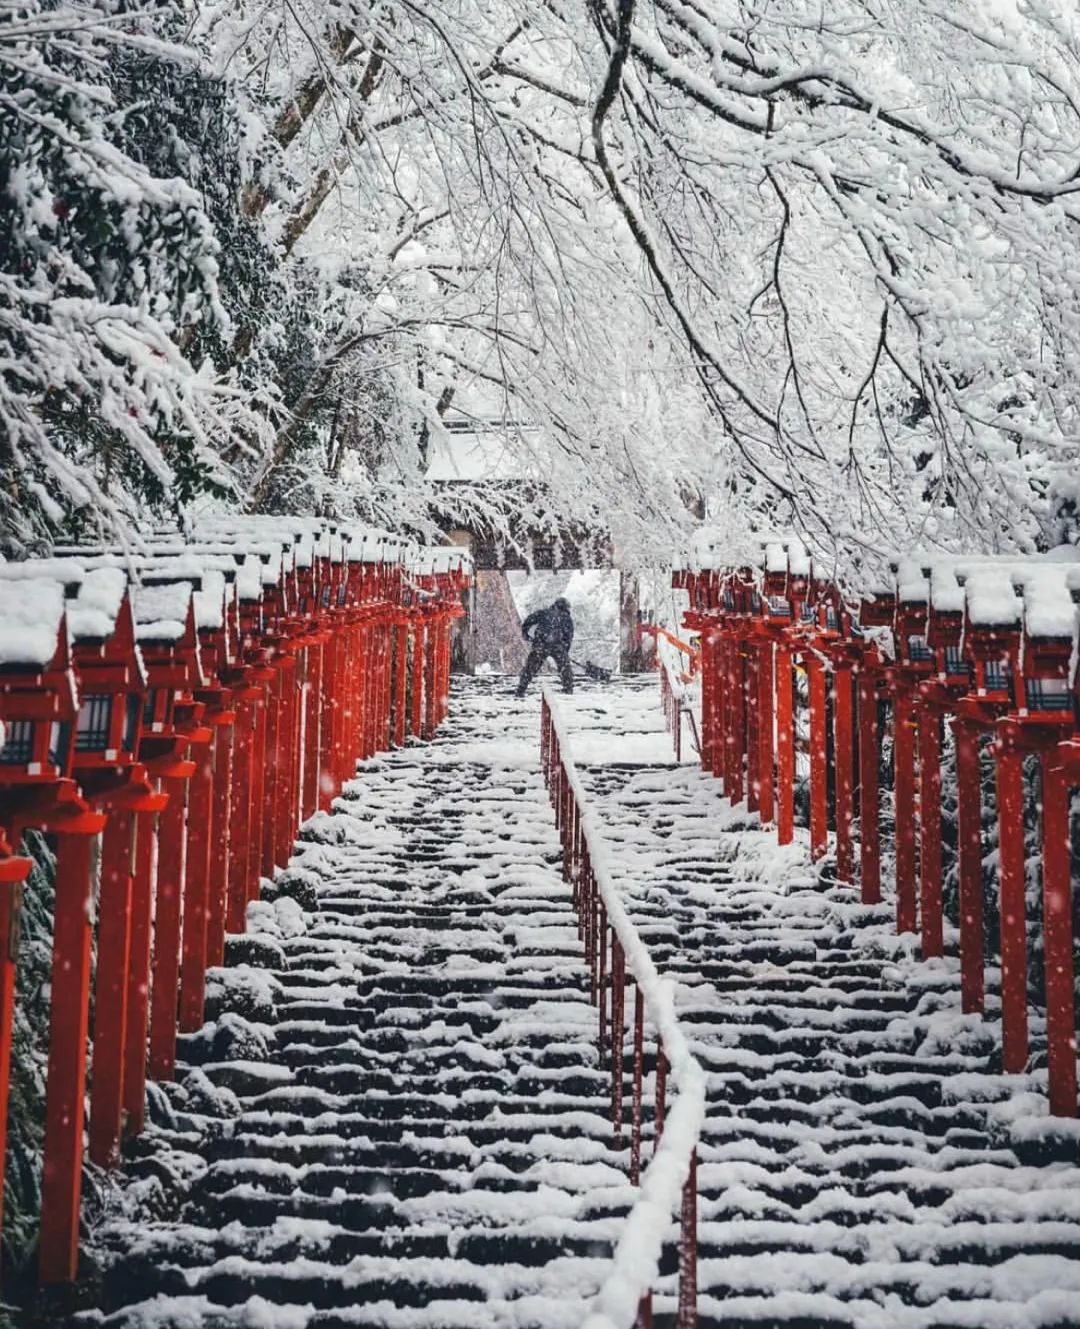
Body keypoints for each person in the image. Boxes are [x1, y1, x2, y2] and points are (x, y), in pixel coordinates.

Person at [516, 597, 574, 696]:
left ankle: (521, 688)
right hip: (557, 646)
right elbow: (568, 637)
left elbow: (528, 621)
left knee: (530, 668)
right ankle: (568, 688)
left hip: (541, 645)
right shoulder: (566, 618)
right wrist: (565, 651)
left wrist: (525, 634)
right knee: (565, 668)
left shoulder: (543, 613)